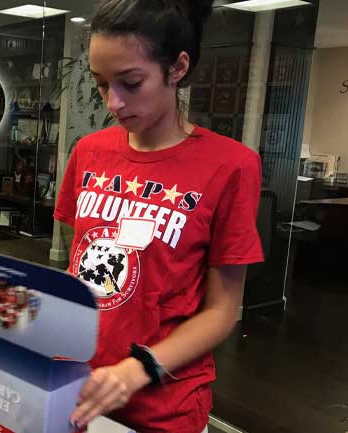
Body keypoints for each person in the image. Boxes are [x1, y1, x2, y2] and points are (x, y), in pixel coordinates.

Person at [54, 1, 264, 432]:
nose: (114, 102)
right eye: (100, 84)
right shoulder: (89, 152)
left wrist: (140, 367)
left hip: (163, 406)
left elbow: (223, 310)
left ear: (177, 67)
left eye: (131, 83)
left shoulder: (231, 165)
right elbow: (79, 270)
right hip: (77, 388)